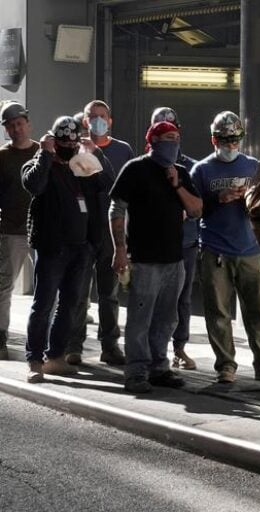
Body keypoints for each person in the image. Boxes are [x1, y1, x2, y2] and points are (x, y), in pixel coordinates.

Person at [109, 121, 202, 393]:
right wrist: (120, 249)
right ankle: (136, 371)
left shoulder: (181, 173)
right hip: (144, 258)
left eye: (176, 138)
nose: (173, 143)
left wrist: (177, 185)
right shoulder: (135, 169)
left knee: (167, 317)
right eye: (167, 138)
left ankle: (159, 367)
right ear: (153, 141)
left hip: (175, 258)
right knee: (140, 319)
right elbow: (116, 209)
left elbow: (196, 210)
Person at [21, 116, 114, 382]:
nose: (70, 147)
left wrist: (95, 154)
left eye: (73, 143)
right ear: (54, 141)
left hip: (81, 247)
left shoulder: (81, 167)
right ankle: (35, 359)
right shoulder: (41, 164)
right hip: (52, 247)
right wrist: (45, 154)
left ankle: (56, 356)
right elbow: (34, 185)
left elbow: (107, 184)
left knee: (71, 305)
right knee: (44, 304)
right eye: (64, 143)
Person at [191, 111, 260, 383]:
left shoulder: (253, 166)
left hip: (249, 248)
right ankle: (225, 365)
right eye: (225, 140)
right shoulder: (202, 170)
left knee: (259, 311)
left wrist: (249, 201)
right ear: (214, 140)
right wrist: (218, 199)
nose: (230, 145)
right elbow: (192, 210)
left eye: (235, 140)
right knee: (218, 312)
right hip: (214, 248)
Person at [66, 99, 133, 367]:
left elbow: (123, 187)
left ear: (110, 120)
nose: (97, 121)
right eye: (92, 116)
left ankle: (110, 345)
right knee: (79, 292)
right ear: (84, 121)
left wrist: (125, 240)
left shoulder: (122, 150)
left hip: (110, 231)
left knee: (109, 293)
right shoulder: (72, 149)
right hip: (82, 231)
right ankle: (74, 345)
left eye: (102, 116)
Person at [151, 106, 199, 370]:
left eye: (172, 133)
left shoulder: (190, 167)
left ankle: (179, 347)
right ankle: (152, 350)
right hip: (153, 245)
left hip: (185, 243)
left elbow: (199, 207)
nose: (168, 139)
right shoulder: (142, 167)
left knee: (182, 297)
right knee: (152, 297)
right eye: (161, 132)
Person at [0, 101, 38, 359]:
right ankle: (1, 337)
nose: (16, 129)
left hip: (43, 230)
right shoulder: (2, 157)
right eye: (11, 126)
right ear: (6, 130)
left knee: (49, 286)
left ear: (27, 123)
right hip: (11, 230)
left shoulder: (42, 152)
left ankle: (45, 339)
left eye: (19, 123)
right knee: (4, 285)